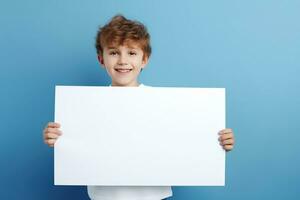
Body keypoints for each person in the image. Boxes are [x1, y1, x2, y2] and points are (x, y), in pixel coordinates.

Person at [43, 15, 235, 200]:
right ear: (101, 59)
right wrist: (60, 139)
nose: (123, 61)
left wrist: (217, 142)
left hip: (153, 197)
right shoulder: (85, 107)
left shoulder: (166, 104)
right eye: (114, 52)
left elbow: (187, 137)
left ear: (144, 60)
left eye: (132, 53)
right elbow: (78, 144)